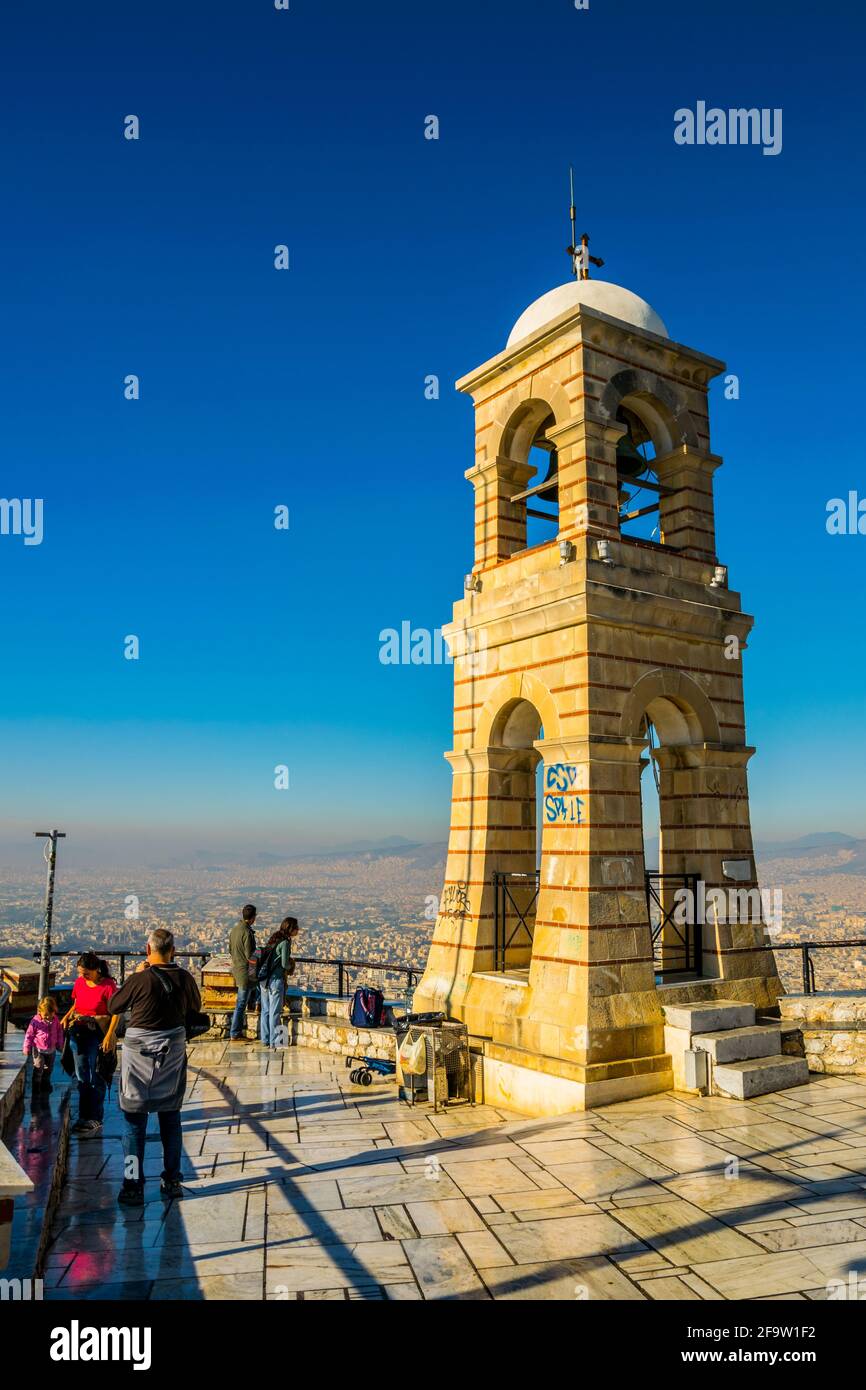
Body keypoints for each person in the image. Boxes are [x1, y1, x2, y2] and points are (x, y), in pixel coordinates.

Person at [107, 927, 201, 1206]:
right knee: (170, 1120)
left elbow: (114, 1005)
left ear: (148, 951)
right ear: (174, 951)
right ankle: (171, 1180)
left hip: (137, 1060)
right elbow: (195, 1008)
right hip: (171, 1056)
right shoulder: (184, 978)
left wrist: (136, 974)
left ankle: (133, 1185)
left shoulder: (140, 979)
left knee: (134, 1123)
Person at [60, 953, 119, 1137]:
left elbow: (116, 1012)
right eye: (81, 973)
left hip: (97, 1033)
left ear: (96, 970)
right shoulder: (79, 983)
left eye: (86, 973)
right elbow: (77, 1003)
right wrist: (67, 1015)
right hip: (78, 1031)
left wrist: (109, 1034)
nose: (83, 976)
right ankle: (85, 1116)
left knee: (97, 1074)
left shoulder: (108, 986)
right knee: (82, 1076)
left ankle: (95, 1117)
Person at [258, 917, 300, 1050]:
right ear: (291, 929)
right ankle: (274, 1042)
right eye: (296, 927)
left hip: (264, 980)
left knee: (265, 1011)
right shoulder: (285, 943)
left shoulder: (274, 938)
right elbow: (284, 963)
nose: (298, 930)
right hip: (275, 981)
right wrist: (290, 966)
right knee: (275, 1012)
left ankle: (265, 1039)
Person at [23, 995, 65, 1097]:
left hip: (51, 1050)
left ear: (54, 1011)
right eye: (45, 1015)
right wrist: (26, 1047)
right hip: (38, 1049)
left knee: (49, 1068)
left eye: (50, 1014)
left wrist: (60, 1044)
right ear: (39, 1012)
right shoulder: (36, 1021)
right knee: (38, 1067)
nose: (47, 1017)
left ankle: (45, 1083)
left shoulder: (55, 1020)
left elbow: (59, 1033)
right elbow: (29, 1034)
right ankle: (36, 1085)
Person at [228, 904, 257, 1044]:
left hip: (236, 969)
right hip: (245, 972)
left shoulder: (234, 930)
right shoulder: (247, 932)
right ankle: (235, 1032)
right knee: (241, 1004)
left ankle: (236, 1032)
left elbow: (230, 949)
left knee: (241, 1002)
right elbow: (249, 955)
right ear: (253, 918)